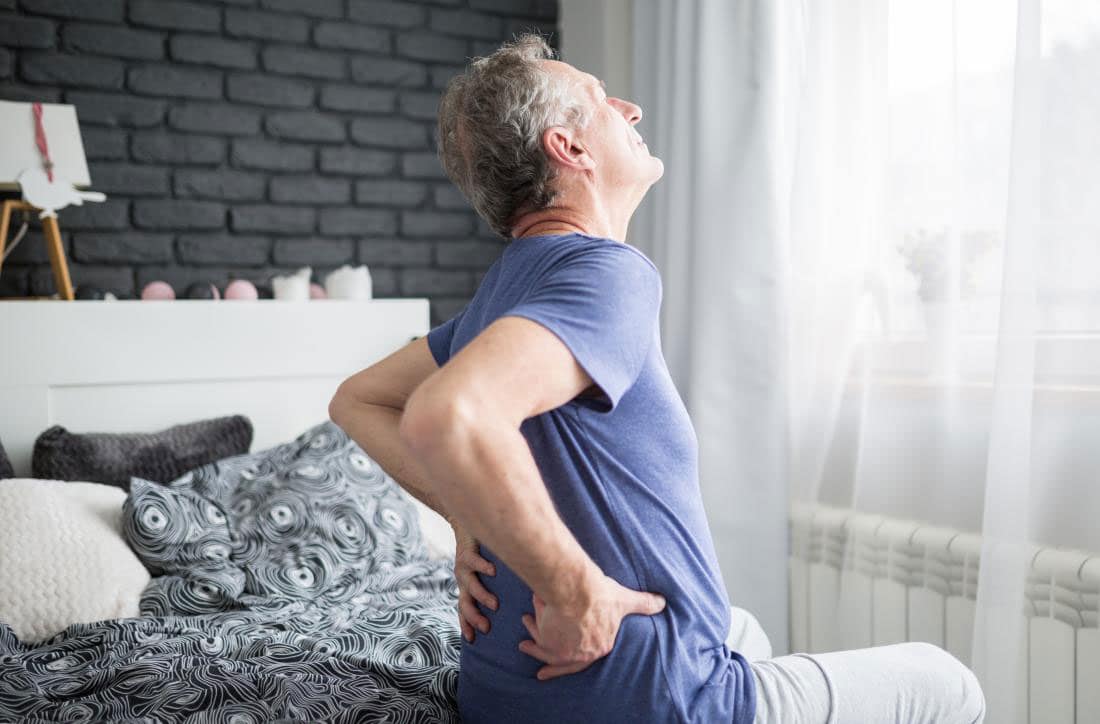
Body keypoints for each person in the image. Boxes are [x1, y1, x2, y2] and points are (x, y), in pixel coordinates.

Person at [329, 34, 986, 724]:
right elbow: (449, 415)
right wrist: (576, 591)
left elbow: (357, 400)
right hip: (650, 697)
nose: (632, 108)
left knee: (744, 628)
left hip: (515, 697)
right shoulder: (605, 273)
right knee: (949, 682)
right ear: (570, 149)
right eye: (598, 99)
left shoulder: (503, 294)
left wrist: (467, 512)